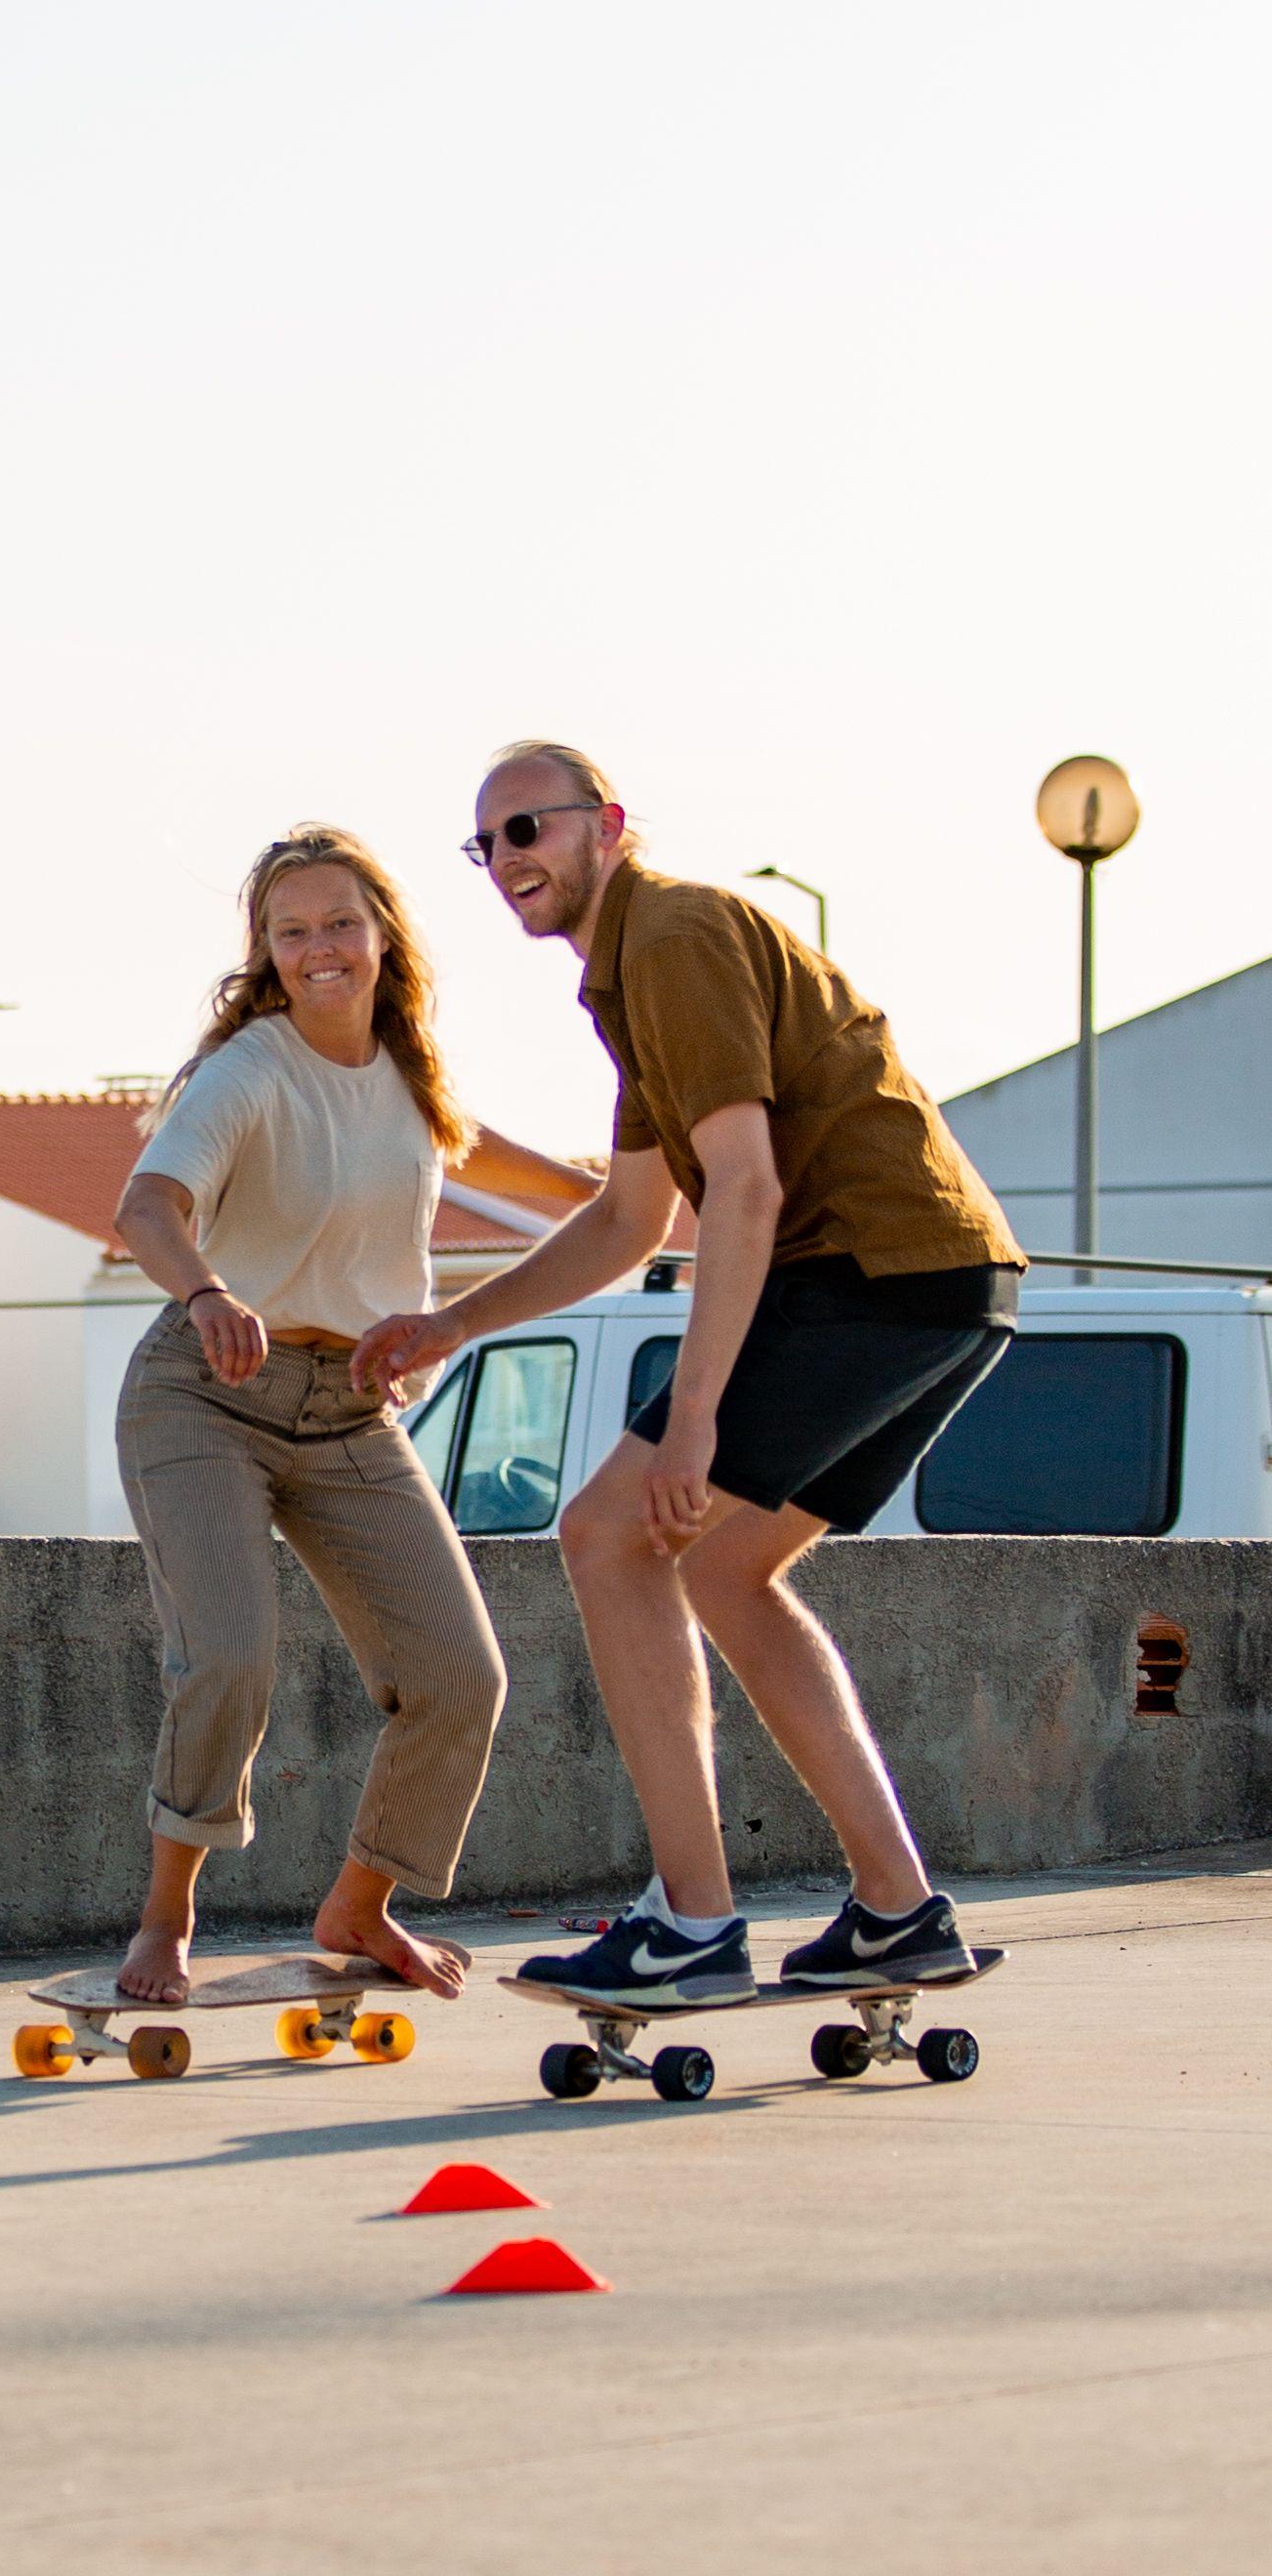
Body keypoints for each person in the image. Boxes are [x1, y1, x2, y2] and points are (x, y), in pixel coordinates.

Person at [354, 743, 1019, 2007]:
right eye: (486, 843)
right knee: (719, 1567)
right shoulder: (628, 974)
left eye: (529, 827)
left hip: (867, 1274)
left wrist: (694, 1418)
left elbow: (748, 1188)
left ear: (605, 822)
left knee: (609, 1534)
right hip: (942, 1283)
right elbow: (630, 1219)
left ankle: (693, 1924)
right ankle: (896, 1908)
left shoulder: (671, 936)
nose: (506, 859)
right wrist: (453, 1324)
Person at [110, 825, 508, 2006]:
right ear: (267, 952)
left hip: (348, 1410)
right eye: (291, 932)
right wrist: (205, 1290)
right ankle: (166, 1918)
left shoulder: (410, 1073)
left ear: (383, 934)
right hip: (205, 1390)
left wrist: (630, 1189)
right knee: (230, 1658)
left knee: (459, 1676)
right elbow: (147, 1205)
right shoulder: (248, 1070)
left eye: (339, 922)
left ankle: (361, 1904)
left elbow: (494, 1160)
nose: (318, 947)